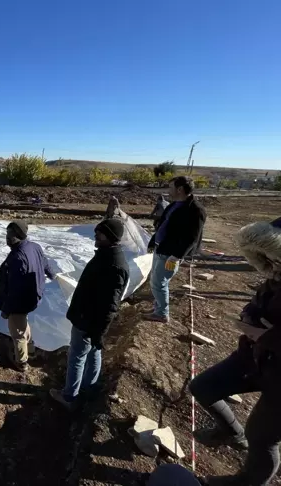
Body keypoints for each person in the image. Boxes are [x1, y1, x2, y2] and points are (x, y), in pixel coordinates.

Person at [189, 217, 281, 486]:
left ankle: (248, 483)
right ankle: (230, 432)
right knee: (203, 386)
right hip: (254, 359)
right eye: (267, 258)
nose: (272, 264)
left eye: (275, 257)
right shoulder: (274, 278)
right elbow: (258, 302)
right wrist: (249, 314)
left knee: (262, 438)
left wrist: (267, 336)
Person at [50, 218, 129, 410]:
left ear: (110, 237)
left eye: (99, 233)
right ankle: (89, 387)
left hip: (88, 320)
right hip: (89, 319)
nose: (95, 235)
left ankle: (69, 397)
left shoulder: (114, 266)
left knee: (77, 356)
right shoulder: (106, 256)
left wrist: (99, 332)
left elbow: (111, 305)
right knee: (94, 352)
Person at [0, 221, 55, 372]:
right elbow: (45, 263)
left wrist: (6, 309)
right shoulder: (34, 247)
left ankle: (21, 362)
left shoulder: (17, 257)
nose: (7, 238)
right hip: (34, 295)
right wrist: (52, 275)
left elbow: (15, 290)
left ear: (18, 235)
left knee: (17, 331)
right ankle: (31, 349)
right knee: (22, 323)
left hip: (21, 300)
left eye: (10, 235)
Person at [143, 176, 206, 323]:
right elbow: (162, 225)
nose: (168, 190)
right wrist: (153, 242)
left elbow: (192, 237)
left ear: (180, 189)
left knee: (160, 283)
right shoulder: (174, 205)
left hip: (171, 253)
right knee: (155, 281)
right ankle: (158, 307)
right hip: (161, 248)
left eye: (171, 187)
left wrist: (177, 256)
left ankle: (162, 314)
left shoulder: (195, 210)